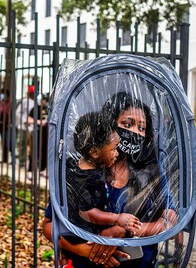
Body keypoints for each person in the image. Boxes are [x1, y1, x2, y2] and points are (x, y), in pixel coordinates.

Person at [42, 91, 177, 268]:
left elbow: (170, 220)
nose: (135, 132)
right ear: (108, 126)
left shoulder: (151, 172)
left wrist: (123, 231)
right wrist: (86, 250)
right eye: (128, 124)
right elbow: (49, 225)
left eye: (142, 128)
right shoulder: (81, 173)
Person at [66, 111, 142, 236]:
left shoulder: (74, 166)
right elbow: (86, 212)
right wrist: (117, 218)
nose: (117, 153)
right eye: (114, 148)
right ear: (94, 152)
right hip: (81, 236)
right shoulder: (89, 179)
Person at [26, 93, 49, 176]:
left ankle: (42, 170)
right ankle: (30, 171)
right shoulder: (35, 108)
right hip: (37, 131)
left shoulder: (48, 108)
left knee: (45, 151)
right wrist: (39, 122)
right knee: (34, 151)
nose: (45, 101)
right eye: (44, 100)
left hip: (47, 133)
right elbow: (28, 119)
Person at [15, 85, 35, 167]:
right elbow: (18, 112)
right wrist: (24, 120)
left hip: (32, 127)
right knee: (22, 145)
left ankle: (32, 163)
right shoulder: (25, 101)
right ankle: (22, 162)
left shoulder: (36, 102)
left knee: (32, 146)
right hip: (23, 127)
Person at [0, 89, 12, 163]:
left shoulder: (10, 103)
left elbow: (10, 114)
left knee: (9, 142)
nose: (2, 95)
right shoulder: (0, 103)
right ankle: (4, 159)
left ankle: (13, 159)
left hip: (8, 125)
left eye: (3, 94)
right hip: (1, 125)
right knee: (3, 142)